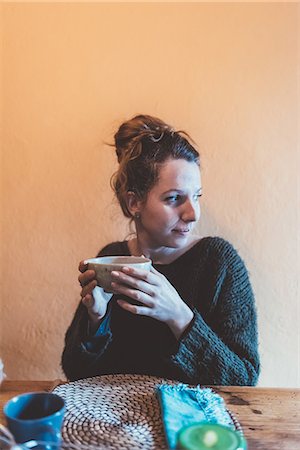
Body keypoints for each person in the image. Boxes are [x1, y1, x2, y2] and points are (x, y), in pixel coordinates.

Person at [61, 114, 260, 385]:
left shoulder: (219, 263)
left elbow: (243, 381)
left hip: (192, 424)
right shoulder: (112, 258)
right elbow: (76, 373)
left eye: (197, 196)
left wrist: (179, 316)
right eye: (174, 198)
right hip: (117, 419)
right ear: (135, 203)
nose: (193, 214)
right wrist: (95, 320)